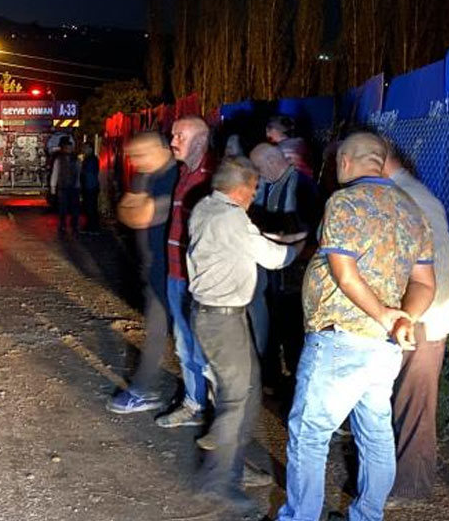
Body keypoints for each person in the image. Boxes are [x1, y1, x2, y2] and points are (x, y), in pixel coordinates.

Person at [276, 132, 436, 521]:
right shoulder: (412, 209)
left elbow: (344, 274)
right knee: (376, 432)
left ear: (345, 162)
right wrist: (403, 319)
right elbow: (424, 284)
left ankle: (300, 517)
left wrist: (384, 314)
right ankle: (367, 515)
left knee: (310, 433)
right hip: (383, 346)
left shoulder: (345, 202)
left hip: (340, 339)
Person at [187, 155, 305, 517]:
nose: (255, 195)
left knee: (248, 390)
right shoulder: (232, 217)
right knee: (237, 397)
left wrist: (279, 237)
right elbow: (274, 259)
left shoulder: (207, 206)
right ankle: (218, 481)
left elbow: (248, 239)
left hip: (216, 316)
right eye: (253, 189)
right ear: (239, 190)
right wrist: (304, 246)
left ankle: (232, 459)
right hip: (222, 319)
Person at [383, 146, 449, 505]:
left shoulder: (407, 196)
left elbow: (442, 258)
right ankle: (400, 480)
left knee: (414, 404)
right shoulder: (405, 192)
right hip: (418, 314)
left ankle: (412, 486)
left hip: (423, 317)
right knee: (403, 401)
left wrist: (413, 312)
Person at [108, 132, 178, 414]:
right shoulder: (143, 176)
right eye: (132, 156)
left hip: (173, 268)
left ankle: (196, 397)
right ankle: (143, 389)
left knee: (183, 334)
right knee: (158, 330)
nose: (135, 162)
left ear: (159, 149)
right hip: (152, 267)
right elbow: (125, 213)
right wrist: (137, 209)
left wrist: (139, 209)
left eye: (140, 154)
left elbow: (138, 215)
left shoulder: (174, 176)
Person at [248, 142, 322, 400]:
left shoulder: (302, 188)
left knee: (293, 337)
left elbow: (305, 233)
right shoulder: (268, 186)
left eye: (257, 168)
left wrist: (263, 236)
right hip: (271, 276)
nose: (254, 174)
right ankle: (273, 382)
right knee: (271, 331)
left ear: (270, 162)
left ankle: (294, 393)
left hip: (293, 278)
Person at [158, 115, 215, 429]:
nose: (173, 141)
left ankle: (216, 417)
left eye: (180, 135)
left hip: (200, 281)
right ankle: (194, 403)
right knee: (184, 344)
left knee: (206, 347)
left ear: (200, 141)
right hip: (175, 275)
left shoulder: (213, 177)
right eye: (173, 134)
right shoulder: (183, 172)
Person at [49, 139, 81, 235]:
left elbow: (79, 173)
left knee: (74, 208)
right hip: (63, 186)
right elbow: (55, 173)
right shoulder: (59, 160)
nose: (69, 150)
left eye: (70, 148)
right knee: (63, 207)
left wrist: (79, 185)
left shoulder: (76, 160)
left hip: (74, 187)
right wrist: (53, 187)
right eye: (67, 148)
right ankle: (63, 225)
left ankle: (74, 225)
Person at [80, 142, 101, 233]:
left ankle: (92, 227)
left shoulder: (91, 160)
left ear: (90, 149)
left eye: (85, 148)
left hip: (90, 186)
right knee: (90, 207)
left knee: (90, 207)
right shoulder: (90, 159)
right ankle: (91, 226)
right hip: (90, 186)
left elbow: (87, 173)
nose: (83, 150)